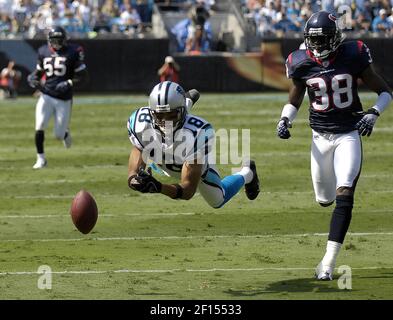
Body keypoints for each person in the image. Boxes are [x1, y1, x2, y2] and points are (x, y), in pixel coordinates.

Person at [276, 11, 392, 281]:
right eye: (313, 40)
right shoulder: (300, 61)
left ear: (336, 37)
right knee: (324, 199)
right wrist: (284, 119)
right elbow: (295, 97)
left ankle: (327, 263)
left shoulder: (354, 54)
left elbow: (385, 91)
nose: (317, 45)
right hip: (319, 138)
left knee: (345, 194)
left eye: (323, 39)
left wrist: (373, 113)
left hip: (348, 135)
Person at [127, 81, 260, 208]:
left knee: (218, 200)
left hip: (187, 163)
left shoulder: (198, 133)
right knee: (173, 120)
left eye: (171, 116)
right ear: (152, 113)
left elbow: (187, 190)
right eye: (160, 116)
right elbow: (137, 155)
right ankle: (187, 100)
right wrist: (134, 180)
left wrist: (159, 187)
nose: (165, 123)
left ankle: (247, 172)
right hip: (166, 158)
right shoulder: (141, 124)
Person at [27, 26, 88, 170]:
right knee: (39, 126)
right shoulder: (43, 51)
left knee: (59, 135)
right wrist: (32, 78)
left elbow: (84, 76)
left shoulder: (73, 51)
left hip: (64, 98)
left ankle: (65, 133)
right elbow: (38, 71)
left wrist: (69, 82)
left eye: (59, 40)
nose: (56, 43)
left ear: (64, 40)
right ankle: (41, 159)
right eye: (53, 40)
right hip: (46, 94)